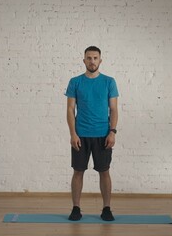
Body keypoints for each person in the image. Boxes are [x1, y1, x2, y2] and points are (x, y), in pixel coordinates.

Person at [65, 46, 119, 221]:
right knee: (78, 171)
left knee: (104, 171)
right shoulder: (75, 82)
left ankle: (106, 208)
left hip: (103, 135)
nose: (92, 61)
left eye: (95, 58)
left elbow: (114, 109)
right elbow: (70, 109)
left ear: (100, 60)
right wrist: (73, 134)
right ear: (84, 60)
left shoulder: (109, 82)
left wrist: (112, 132)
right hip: (81, 135)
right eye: (89, 58)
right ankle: (76, 208)